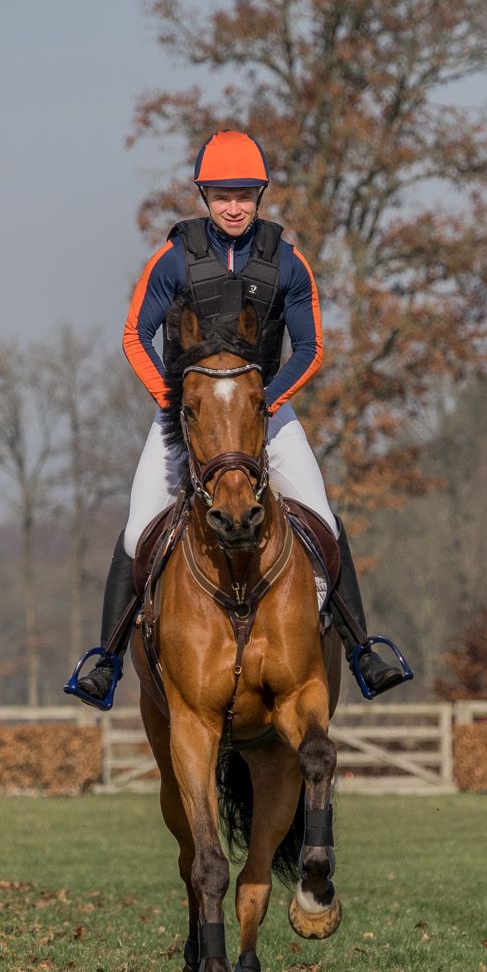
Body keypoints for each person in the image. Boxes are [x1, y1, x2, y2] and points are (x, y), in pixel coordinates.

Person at [66, 130, 410, 708]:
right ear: (204, 196)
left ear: (260, 197)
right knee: (137, 528)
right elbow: (134, 335)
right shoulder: (172, 260)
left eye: (245, 195)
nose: (233, 207)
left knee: (325, 520)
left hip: (265, 410)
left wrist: (264, 402)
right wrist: (173, 401)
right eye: (223, 195)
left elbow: (310, 349)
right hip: (188, 416)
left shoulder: (289, 263)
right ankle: (107, 659)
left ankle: (361, 651)